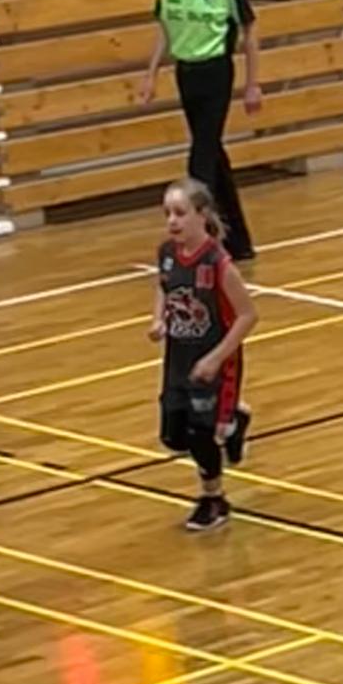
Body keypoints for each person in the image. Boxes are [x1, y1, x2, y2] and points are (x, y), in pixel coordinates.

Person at [149, 177, 257, 533]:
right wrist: (158, 319)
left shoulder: (219, 263)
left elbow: (248, 315)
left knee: (200, 434)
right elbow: (163, 286)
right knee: (173, 436)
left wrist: (215, 359)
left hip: (213, 362)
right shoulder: (167, 253)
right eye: (167, 213)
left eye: (180, 213)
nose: (172, 221)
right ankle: (236, 418)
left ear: (202, 215)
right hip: (178, 360)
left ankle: (214, 499)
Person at [141, 0, 262, 263]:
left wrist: (252, 84)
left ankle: (200, 243)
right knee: (213, 154)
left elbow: (250, 30)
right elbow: (165, 32)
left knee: (200, 162)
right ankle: (238, 241)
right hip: (186, 74)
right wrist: (151, 74)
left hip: (216, 72)